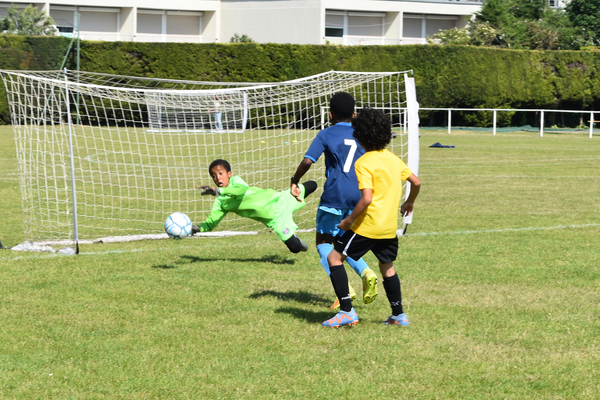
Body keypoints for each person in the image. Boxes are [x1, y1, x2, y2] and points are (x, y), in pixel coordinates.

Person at [321, 107, 421, 328]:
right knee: (387, 267)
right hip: (387, 228)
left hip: (365, 227)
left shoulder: (364, 162)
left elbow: (366, 199)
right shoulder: (394, 159)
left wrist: (348, 222)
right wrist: (409, 201)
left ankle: (346, 311)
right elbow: (416, 182)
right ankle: (399, 315)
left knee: (334, 259)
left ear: (359, 135)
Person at [290, 92, 378, 310]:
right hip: (358, 196)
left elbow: (308, 161)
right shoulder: (362, 135)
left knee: (323, 242)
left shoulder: (325, 134)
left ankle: (344, 289)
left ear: (330, 115)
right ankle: (366, 271)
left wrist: (295, 180)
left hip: (334, 196)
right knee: (344, 244)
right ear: (354, 114)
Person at [192, 159, 317, 253]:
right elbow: (210, 223)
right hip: (276, 219)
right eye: (214, 176)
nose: (217, 178)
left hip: (280, 199)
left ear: (229, 174)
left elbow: (239, 191)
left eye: (220, 173)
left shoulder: (236, 181)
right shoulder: (220, 203)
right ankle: (296, 240)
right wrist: (197, 228)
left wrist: (218, 191)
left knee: (313, 184)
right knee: (295, 248)